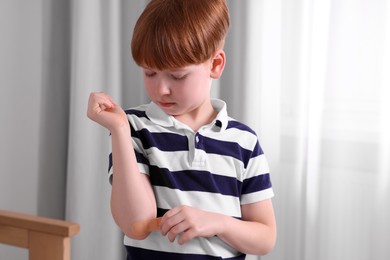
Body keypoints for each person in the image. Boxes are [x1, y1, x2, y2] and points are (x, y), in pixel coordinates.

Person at [87, 0, 276, 259]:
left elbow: (264, 239)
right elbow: (136, 224)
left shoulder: (244, 142)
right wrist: (120, 130)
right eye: (150, 73)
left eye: (177, 76)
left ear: (215, 65)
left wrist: (218, 222)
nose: (161, 89)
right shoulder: (134, 128)